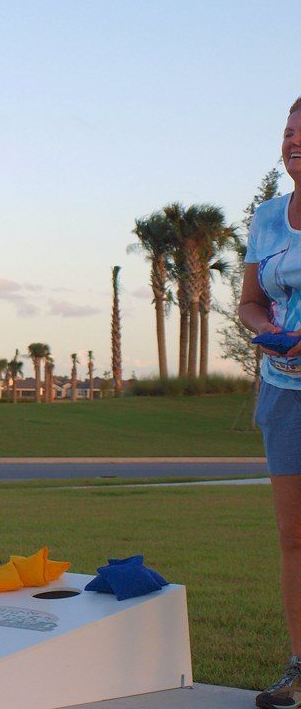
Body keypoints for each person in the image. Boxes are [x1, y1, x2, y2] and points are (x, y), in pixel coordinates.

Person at [240, 96, 301, 709]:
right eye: (287, 134)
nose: (293, 143)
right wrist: (265, 328)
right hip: (285, 392)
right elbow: (250, 300)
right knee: (294, 539)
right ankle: (300, 667)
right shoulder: (268, 217)